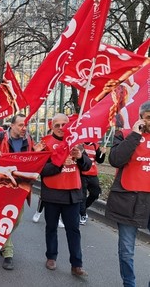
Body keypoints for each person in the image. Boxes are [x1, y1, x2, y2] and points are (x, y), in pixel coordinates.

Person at [0, 113, 42, 270]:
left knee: (16, 219)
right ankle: (8, 252)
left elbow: (31, 159)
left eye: (26, 125)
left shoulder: (28, 139)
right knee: (5, 217)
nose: (24, 128)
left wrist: (37, 151)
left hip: (20, 187)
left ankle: (1, 238)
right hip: (1, 185)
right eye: (21, 125)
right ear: (12, 125)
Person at [39, 113, 91, 277]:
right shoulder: (45, 143)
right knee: (51, 228)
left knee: (73, 230)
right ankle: (51, 257)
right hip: (52, 194)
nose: (61, 128)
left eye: (64, 125)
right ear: (51, 126)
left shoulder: (76, 141)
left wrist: (80, 157)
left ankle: (77, 264)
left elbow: (87, 166)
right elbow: (41, 170)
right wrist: (60, 164)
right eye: (57, 125)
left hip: (72, 195)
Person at [105, 101, 150, 287]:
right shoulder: (124, 135)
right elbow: (115, 159)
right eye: (148, 117)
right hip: (128, 199)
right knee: (126, 250)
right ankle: (129, 284)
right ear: (140, 117)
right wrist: (135, 135)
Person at [79, 142, 106, 225]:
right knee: (82, 196)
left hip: (93, 174)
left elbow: (100, 160)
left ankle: (81, 209)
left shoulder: (95, 145)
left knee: (95, 193)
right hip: (82, 174)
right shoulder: (79, 144)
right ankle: (82, 214)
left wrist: (103, 153)